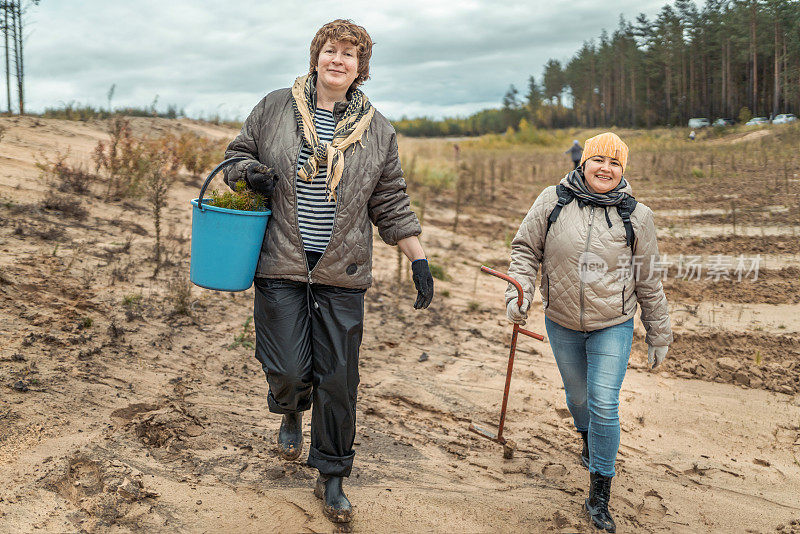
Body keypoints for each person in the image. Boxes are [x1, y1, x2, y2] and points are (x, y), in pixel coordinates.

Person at [222, 19, 434, 525]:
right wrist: (245, 172)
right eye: (330, 51)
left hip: (343, 270)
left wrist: (419, 259)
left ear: (361, 68)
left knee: (338, 379)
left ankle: (332, 476)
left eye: (349, 54)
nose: (338, 60)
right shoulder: (275, 107)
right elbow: (236, 156)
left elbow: (390, 201)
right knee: (291, 368)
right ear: (315, 56)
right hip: (280, 263)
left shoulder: (378, 130)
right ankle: (291, 408)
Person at [505, 132, 672, 532]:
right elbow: (526, 250)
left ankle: (599, 492)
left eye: (615, 163)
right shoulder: (553, 200)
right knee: (578, 396)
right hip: (561, 320)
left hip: (612, 324)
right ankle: (587, 439)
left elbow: (647, 279)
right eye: (599, 160)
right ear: (584, 162)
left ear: (623, 170)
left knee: (603, 402)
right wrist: (521, 292)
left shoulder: (637, 215)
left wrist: (658, 333)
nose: (606, 169)